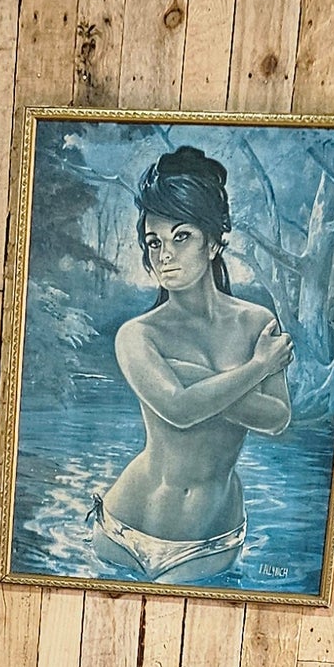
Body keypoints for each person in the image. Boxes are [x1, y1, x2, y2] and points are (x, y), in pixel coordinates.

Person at [95, 145, 293, 579]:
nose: (164, 253)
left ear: (214, 241)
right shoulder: (137, 334)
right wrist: (255, 369)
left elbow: (278, 417)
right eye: (153, 242)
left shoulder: (257, 323)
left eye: (180, 236)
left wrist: (191, 382)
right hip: (122, 529)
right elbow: (180, 412)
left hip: (210, 540)